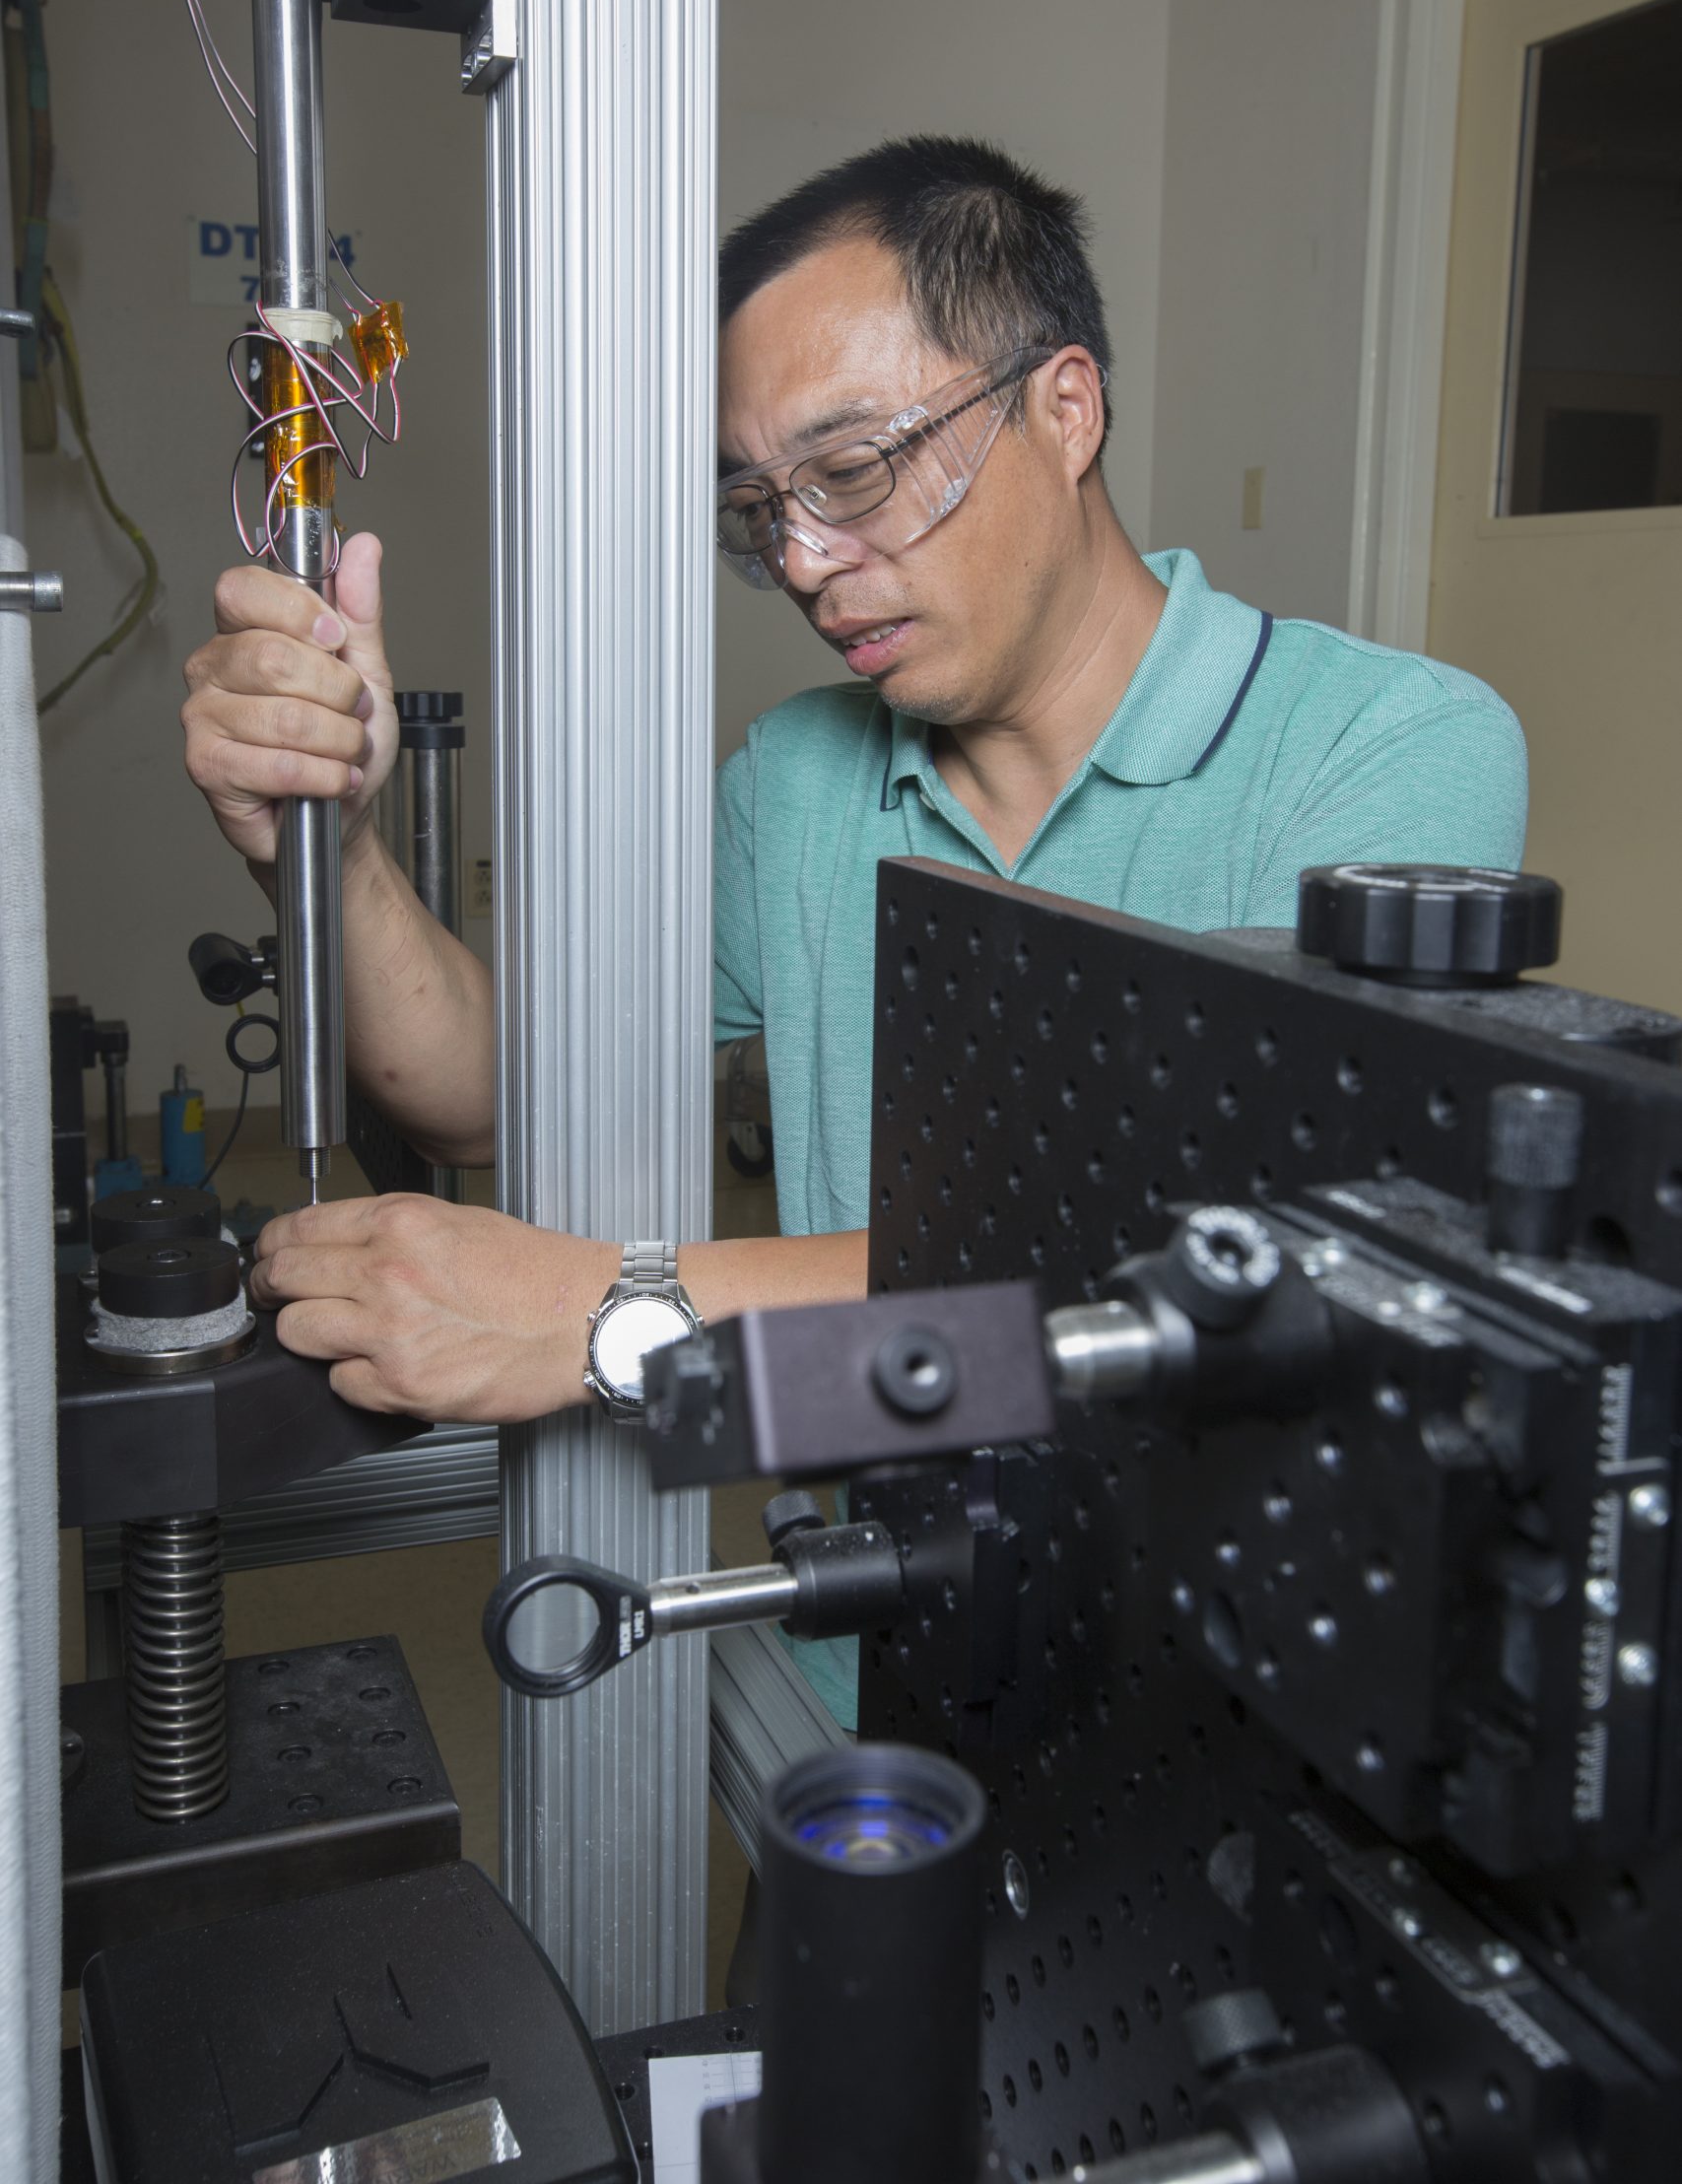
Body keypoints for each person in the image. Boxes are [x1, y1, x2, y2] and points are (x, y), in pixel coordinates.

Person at [182, 134, 1526, 1439]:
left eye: (850, 472)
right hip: (871, 1579)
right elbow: (492, 1097)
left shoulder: (1383, 746)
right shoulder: (795, 781)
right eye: (761, 510)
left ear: (1065, 410)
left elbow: (1244, 1268)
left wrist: (607, 1306)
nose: (805, 561)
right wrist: (334, 843)